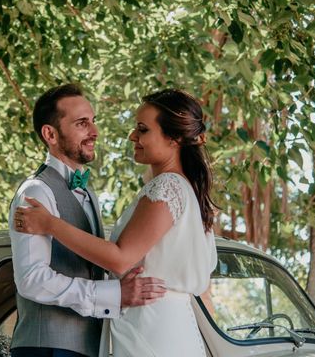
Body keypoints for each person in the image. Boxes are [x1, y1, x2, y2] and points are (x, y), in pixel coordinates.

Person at [15, 89, 219, 357]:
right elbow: (31, 279)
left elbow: (120, 258)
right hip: (59, 342)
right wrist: (112, 295)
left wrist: (51, 224)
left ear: (174, 139)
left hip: (152, 329)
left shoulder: (167, 187)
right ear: (50, 135)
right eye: (81, 123)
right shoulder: (37, 192)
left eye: (143, 129)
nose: (132, 136)